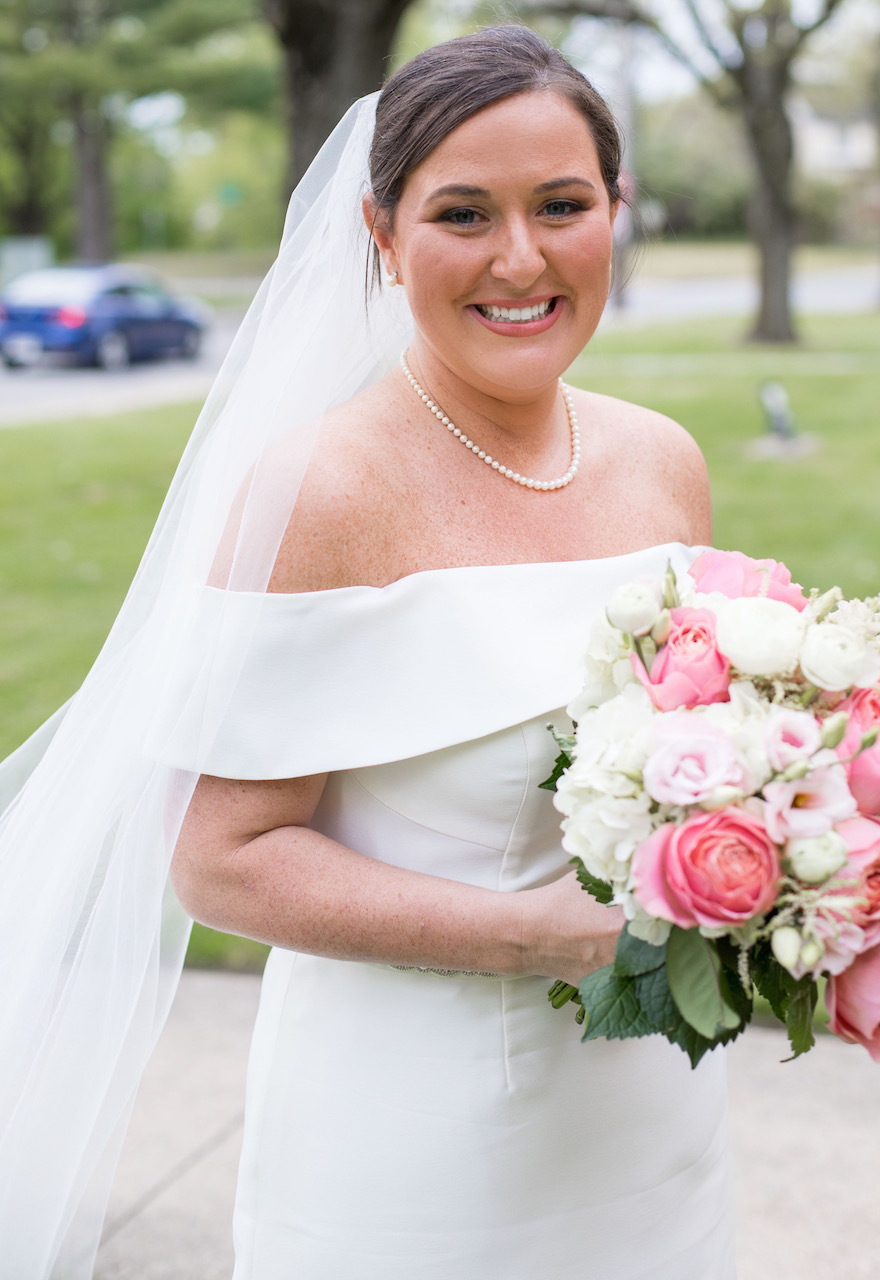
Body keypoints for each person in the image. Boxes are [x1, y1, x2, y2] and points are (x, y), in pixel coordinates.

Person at [0, 26, 733, 1279]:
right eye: (463, 213)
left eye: (563, 204)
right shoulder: (315, 487)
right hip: (412, 1128)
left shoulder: (661, 460)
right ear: (382, 236)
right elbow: (223, 860)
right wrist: (534, 936)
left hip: (647, 1106)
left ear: (617, 210)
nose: (521, 257)